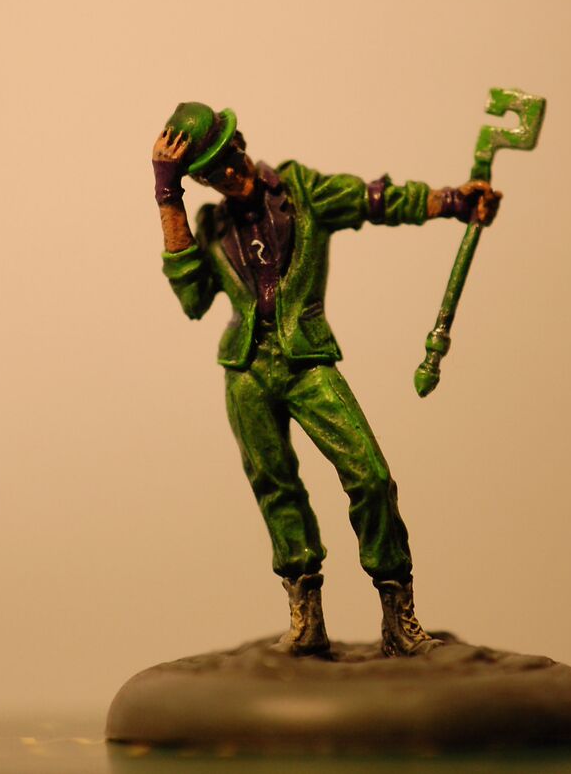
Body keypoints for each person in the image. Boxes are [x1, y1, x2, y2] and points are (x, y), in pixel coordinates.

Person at [152, 102, 500, 657]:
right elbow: (192, 298)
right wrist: (167, 197)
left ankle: (398, 615)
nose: (228, 174)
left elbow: (376, 199)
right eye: (210, 173)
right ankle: (306, 617)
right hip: (247, 370)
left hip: (306, 359)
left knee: (370, 475)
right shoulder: (212, 227)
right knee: (275, 486)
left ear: (241, 142)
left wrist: (453, 201)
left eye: (229, 158)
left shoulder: (303, 191)